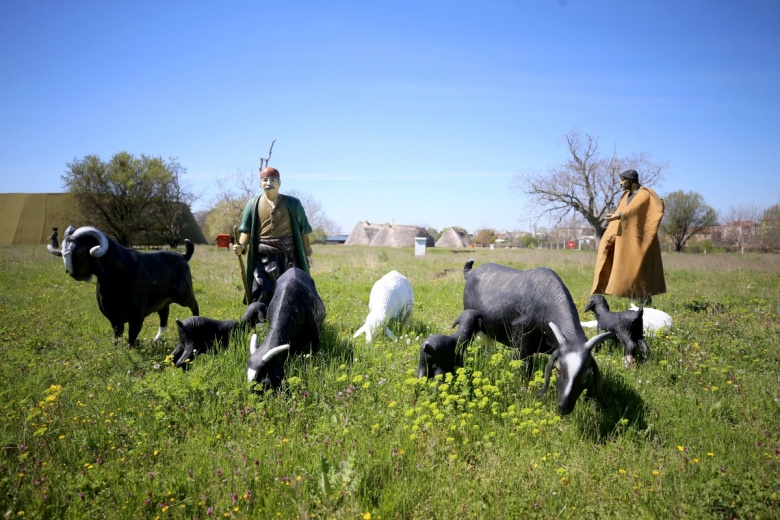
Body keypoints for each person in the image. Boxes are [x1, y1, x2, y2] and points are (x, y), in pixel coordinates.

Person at [233, 166, 313, 305]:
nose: (268, 183)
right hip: (263, 258)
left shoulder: (293, 203)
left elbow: (303, 230)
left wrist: (307, 251)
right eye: (264, 180)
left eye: (272, 180)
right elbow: (245, 231)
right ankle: (261, 319)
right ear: (260, 183)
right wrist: (241, 246)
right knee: (263, 290)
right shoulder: (252, 204)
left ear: (279, 183)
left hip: (289, 256)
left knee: (290, 289)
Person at [591, 169, 666, 305]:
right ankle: (633, 298)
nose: (620, 183)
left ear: (631, 181)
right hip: (626, 240)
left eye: (622, 180)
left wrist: (618, 216)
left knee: (639, 269)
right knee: (627, 269)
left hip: (640, 240)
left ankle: (643, 301)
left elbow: (634, 210)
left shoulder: (644, 194)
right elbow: (623, 211)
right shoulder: (626, 196)